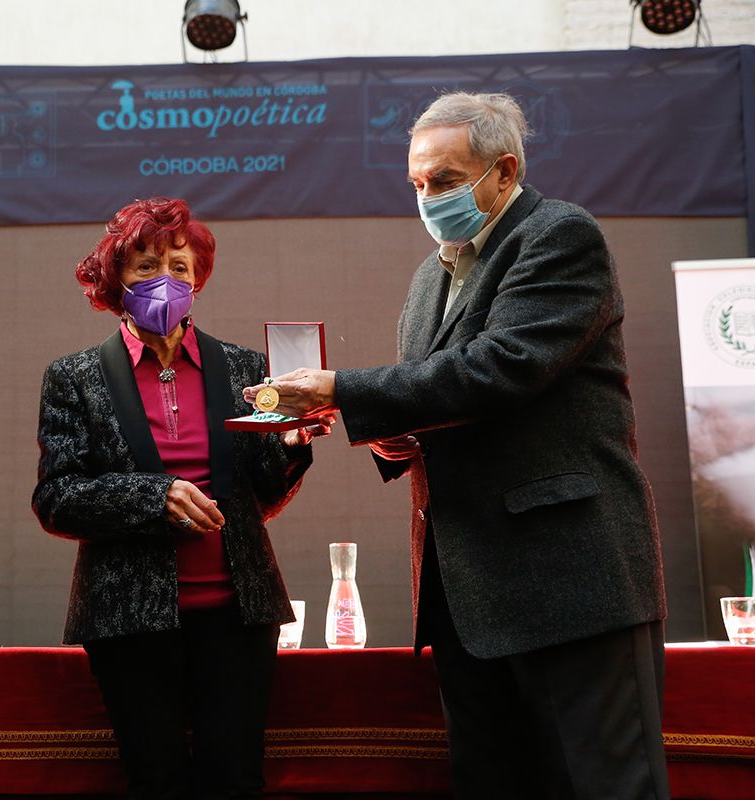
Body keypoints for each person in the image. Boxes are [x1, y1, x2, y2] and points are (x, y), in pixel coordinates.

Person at [246, 93, 669, 797]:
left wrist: (341, 389)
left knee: (606, 785)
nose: (427, 198)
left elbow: (501, 369)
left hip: (571, 584)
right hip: (467, 595)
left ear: (503, 173)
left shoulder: (560, 235)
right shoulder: (428, 279)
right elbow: (437, 402)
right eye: (417, 184)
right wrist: (387, 438)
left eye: (444, 181)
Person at [33, 197, 326, 800]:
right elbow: (57, 498)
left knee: (236, 778)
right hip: (127, 618)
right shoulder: (76, 377)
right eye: (145, 267)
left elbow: (262, 497)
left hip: (239, 613)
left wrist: (294, 441)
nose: (164, 280)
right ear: (116, 277)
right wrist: (154, 497)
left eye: (179, 267)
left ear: (198, 279)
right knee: (155, 779)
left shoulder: (248, 369)